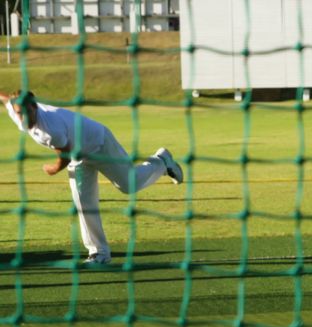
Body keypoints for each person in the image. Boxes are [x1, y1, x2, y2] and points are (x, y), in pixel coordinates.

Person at [1, 90, 183, 265]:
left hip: (99, 144)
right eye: (19, 113)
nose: (22, 117)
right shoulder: (15, 110)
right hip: (79, 157)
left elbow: (64, 155)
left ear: (34, 107)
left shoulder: (51, 129)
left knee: (129, 185)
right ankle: (99, 252)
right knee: (83, 202)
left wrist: (53, 169)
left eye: (26, 112)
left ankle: (161, 161)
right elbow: (5, 98)